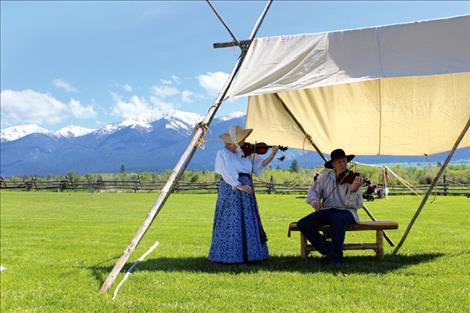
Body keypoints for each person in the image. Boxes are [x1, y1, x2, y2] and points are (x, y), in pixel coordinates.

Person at [208, 125, 279, 263]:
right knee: (231, 219)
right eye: (242, 139)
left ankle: (250, 254)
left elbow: (260, 165)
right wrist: (239, 185)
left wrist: (273, 154)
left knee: (247, 219)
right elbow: (226, 172)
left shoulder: (244, 153)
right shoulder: (223, 154)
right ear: (234, 141)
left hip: (245, 188)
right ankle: (229, 255)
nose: (245, 141)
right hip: (232, 191)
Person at [297, 148, 363, 264]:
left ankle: (335, 258)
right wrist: (315, 201)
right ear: (333, 164)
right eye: (339, 162)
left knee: (337, 218)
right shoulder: (324, 177)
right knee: (303, 223)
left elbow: (356, 205)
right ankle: (329, 249)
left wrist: (353, 191)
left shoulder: (353, 179)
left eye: (344, 161)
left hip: (347, 212)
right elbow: (313, 192)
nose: (343, 164)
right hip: (328, 210)